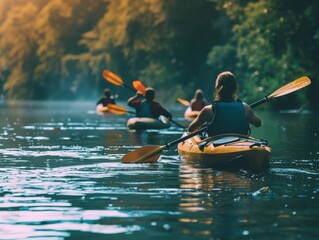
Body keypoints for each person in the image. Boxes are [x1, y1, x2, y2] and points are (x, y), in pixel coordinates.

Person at [188, 71, 261, 136]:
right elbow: (258, 124)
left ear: (217, 88)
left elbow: (191, 129)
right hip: (241, 143)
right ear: (235, 88)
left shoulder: (208, 110)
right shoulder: (245, 107)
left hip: (216, 145)